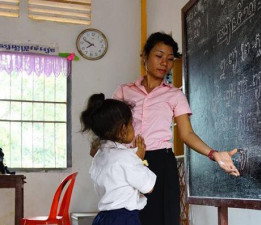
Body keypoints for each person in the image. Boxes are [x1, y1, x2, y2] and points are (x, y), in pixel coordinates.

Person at [91, 32, 240, 225]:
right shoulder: (123, 91)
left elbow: (186, 134)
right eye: (159, 56)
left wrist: (214, 154)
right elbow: (109, 124)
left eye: (170, 59)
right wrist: (99, 147)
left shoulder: (175, 95)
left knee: (164, 219)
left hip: (161, 162)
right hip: (128, 161)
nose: (164, 63)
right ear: (144, 56)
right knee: (130, 216)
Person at [80, 93, 157, 225]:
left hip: (102, 218)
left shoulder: (99, 156)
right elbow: (149, 187)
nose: (133, 128)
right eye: (131, 124)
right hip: (124, 219)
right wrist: (139, 159)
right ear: (123, 129)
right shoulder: (125, 158)